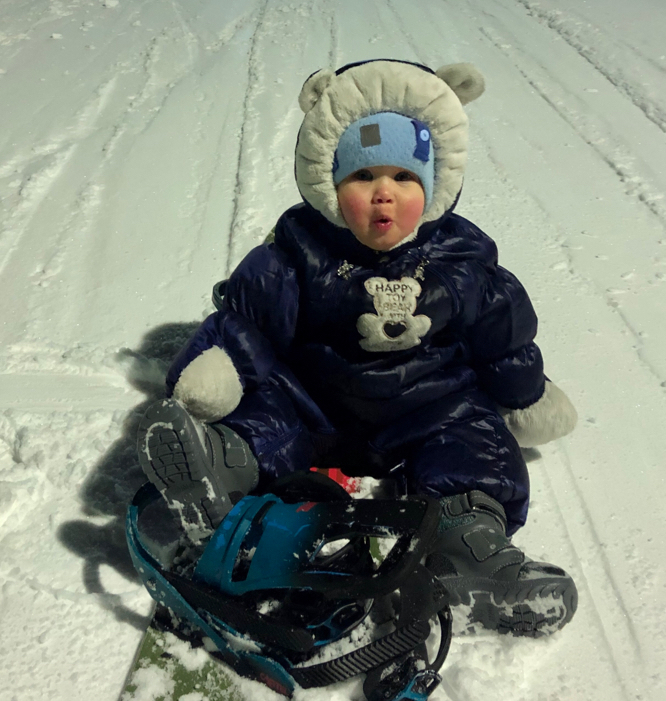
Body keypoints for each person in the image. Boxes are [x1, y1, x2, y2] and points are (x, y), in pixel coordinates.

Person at [137, 59, 579, 635]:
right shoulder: (299, 250)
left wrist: (523, 395)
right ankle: (222, 468)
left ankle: (472, 546)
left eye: (405, 178)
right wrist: (218, 371)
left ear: (437, 182)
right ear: (327, 179)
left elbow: (503, 335)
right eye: (363, 177)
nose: (383, 197)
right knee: (267, 409)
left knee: (472, 438)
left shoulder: (461, 259)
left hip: (426, 408)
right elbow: (249, 322)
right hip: (316, 406)